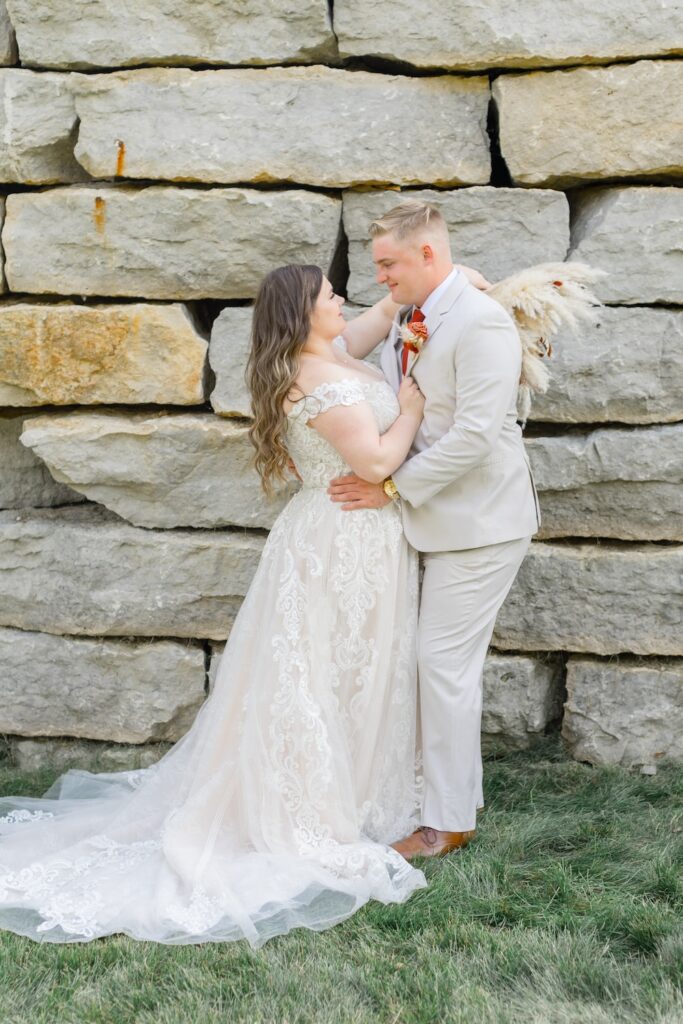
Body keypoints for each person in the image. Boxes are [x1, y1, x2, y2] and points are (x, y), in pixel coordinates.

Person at [0, 261, 459, 946]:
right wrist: (415, 408)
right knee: (320, 672)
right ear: (304, 316)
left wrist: (432, 288)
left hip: (365, 542)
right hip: (337, 543)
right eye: (329, 296)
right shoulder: (322, 380)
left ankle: (362, 790)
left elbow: (370, 325)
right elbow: (372, 465)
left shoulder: (328, 355)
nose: (342, 300)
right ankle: (309, 803)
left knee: (356, 671)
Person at [328, 200, 541, 861]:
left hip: (480, 522)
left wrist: (389, 486)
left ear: (427, 254)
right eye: (376, 267)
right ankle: (441, 797)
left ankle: (445, 824)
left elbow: (476, 436)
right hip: (438, 521)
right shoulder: (414, 315)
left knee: (440, 664)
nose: (381, 277)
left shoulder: (479, 323)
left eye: (389, 264)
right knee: (433, 663)